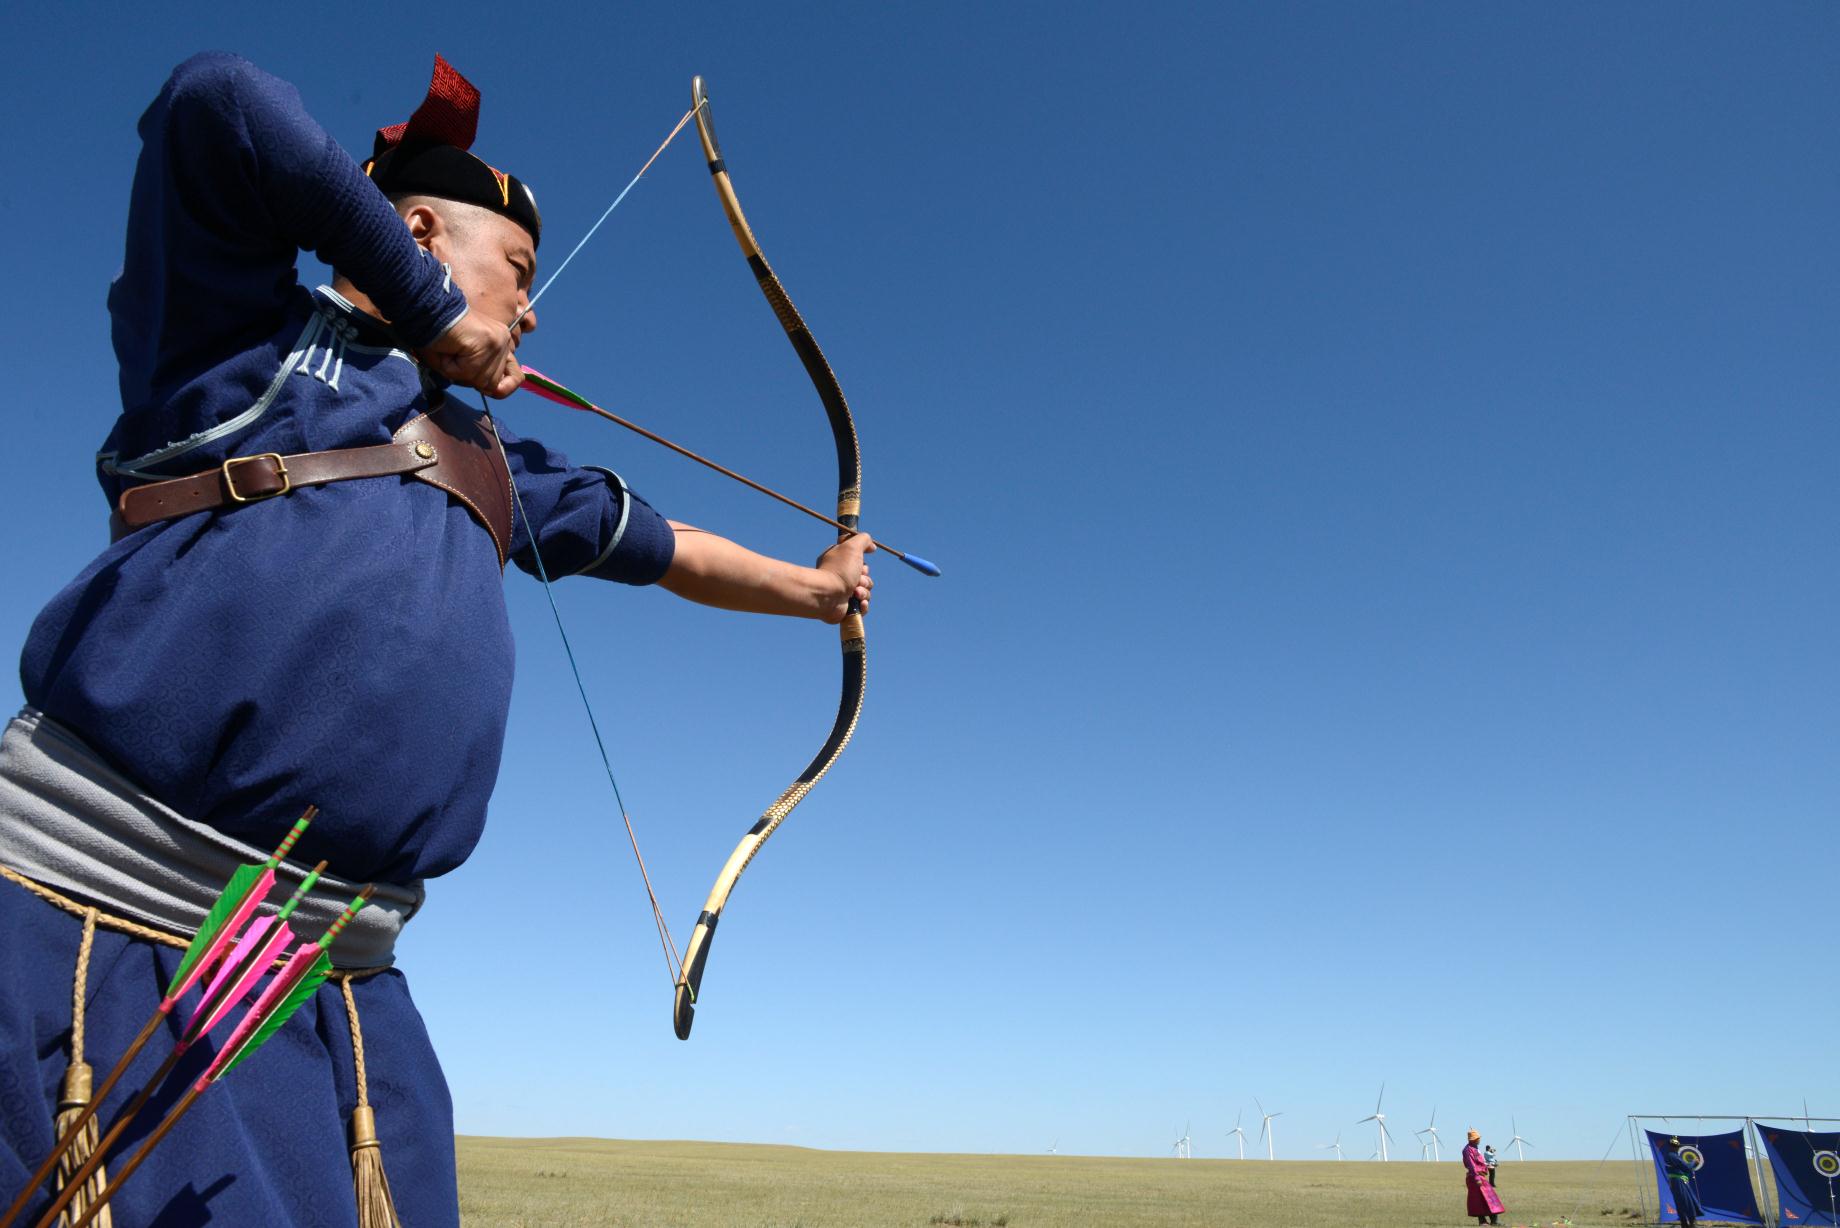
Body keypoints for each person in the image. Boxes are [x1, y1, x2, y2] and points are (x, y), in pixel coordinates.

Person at [0, 51, 873, 1227]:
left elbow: (669, 549)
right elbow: (218, 104)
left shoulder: (498, 463)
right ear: (415, 228)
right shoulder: (234, 346)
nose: (531, 303)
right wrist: (424, 304)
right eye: (516, 269)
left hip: (338, 989)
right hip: (87, 923)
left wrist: (817, 591)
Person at [1463, 1129, 1506, 1226]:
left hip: (1480, 1176)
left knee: (1490, 1198)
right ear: (1473, 1140)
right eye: (1477, 1138)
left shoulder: (1475, 1148)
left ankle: (1494, 1221)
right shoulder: (1468, 1150)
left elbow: (1479, 1163)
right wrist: (1477, 1178)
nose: (1479, 1140)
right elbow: (1472, 1165)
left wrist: (1487, 1166)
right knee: (1478, 1200)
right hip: (1475, 1178)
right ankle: (1482, 1221)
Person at [1664, 1137, 1703, 1228]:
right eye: (1674, 1146)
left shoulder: (1673, 1155)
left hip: (1680, 1180)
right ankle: (1691, 1223)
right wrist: (1694, 1162)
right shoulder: (1672, 1156)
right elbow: (1686, 1167)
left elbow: (1684, 1168)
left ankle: (1685, 1223)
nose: (1676, 1147)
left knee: (1683, 1201)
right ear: (1670, 1146)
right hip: (1678, 1181)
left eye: (1677, 1146)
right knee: (1685, 1201)